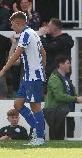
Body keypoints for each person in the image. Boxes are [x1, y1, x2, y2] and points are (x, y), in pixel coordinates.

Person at [0, 11, 46, 146]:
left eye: (12, 24)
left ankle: (40, 137)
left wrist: (3, 70)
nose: (11, 27)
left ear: (18, 23)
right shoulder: (33, 33)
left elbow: (16, 55)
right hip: (29, 76)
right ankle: (38, 133)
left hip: (32, 77)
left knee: (35, 107)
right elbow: (43, 52)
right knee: (18, 105)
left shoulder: (26, 34)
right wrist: (42, 67)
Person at [44, 55, 82, 140]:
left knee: (68, 137)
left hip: (66, 111)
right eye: (68, 63)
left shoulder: (66, 79)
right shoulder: (54, 78)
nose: (70, 65)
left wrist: (80, 98)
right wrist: (76, 99)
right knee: (59, 139)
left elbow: (70, 95)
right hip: (56, 111)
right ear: (61, 64)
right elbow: (59, 96)